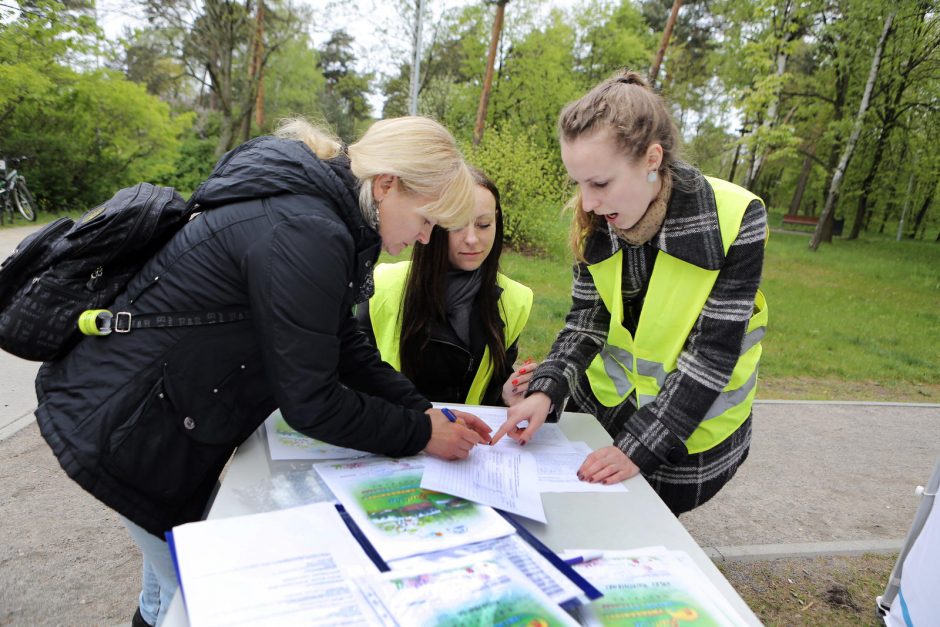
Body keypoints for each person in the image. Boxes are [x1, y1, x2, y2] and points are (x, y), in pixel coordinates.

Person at [34, 116, 492, 627]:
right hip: (130, 424)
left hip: (158, 412)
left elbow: (339, 340)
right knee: (203, 600)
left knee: (168, 591)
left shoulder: (325, 212)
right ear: (387, 185)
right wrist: (420, 433)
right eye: (427, 219)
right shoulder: (307, 230)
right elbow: (312, 402)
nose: (427, 238)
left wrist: (420, 409)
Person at [492, 70, 769, 516]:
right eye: (578, 184)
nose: (585, 204)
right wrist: (545, 390)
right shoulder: (598, 219)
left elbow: (712, 354)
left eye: (599, 183)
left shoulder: (736, 217)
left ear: (651, 159)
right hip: (605, 416)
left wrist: (640, 446)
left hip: (689, 434)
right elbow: (586, 323)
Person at [357, 167, 535, 407]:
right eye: (457, 225)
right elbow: (355, 381)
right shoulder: (383, 286)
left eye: (484, 224)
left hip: (464, 440)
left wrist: (506, 395)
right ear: (432, 225)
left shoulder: (515, 300)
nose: (472, 239)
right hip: (394, 435)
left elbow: (488, 393)